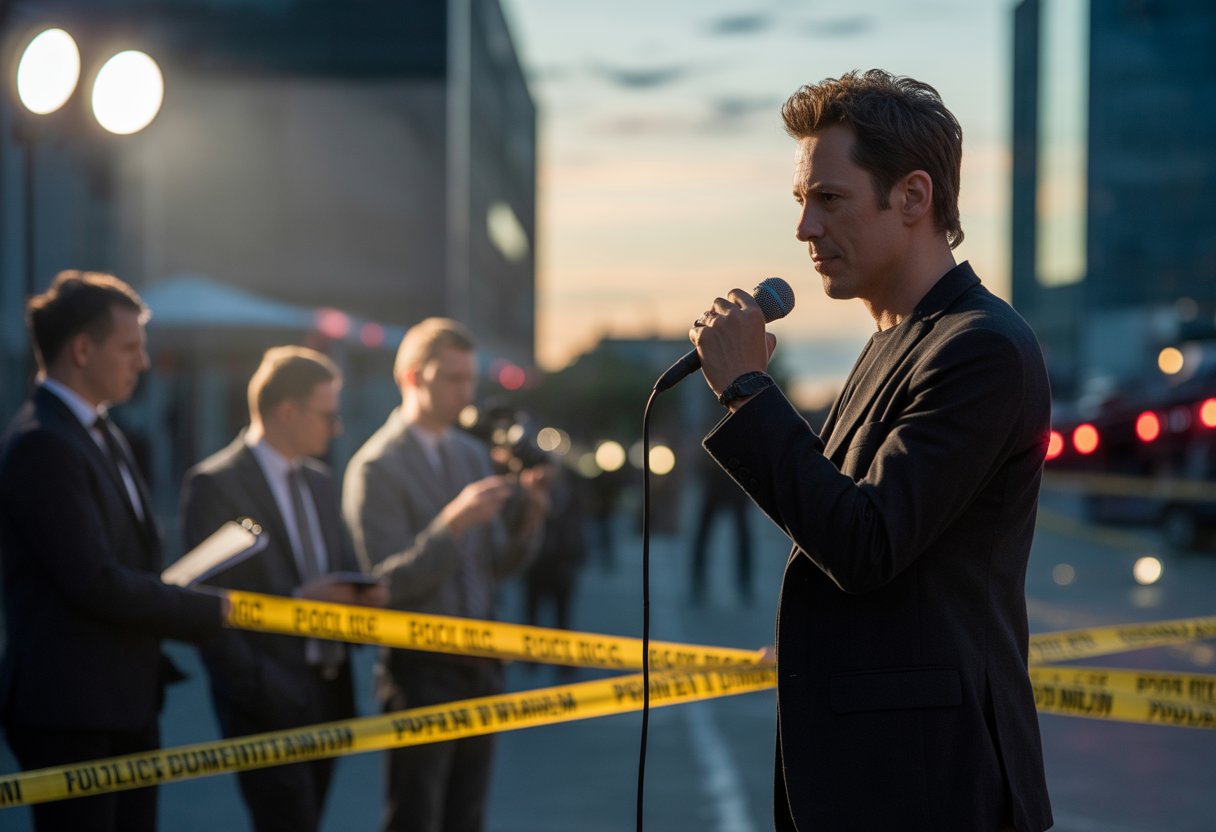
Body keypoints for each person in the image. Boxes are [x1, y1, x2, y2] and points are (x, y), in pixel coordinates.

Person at [687, 70, 1054, 831]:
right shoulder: (894, 340)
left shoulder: (980, 348)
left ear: (913, 197)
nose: (805, 229)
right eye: (802, 201)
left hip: (932, 787)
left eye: (830, 199)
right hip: (876, 775)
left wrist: (750, 393)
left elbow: (868, 542)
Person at [0, 270, 229, 832]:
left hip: (121, 700)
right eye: (129, 349)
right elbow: (93, 581)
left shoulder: (96, 430)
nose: (143, 363)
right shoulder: (43, 442)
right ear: (82, 350)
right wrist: (203, 610)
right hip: (75, 711)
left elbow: (122, 561)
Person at [343, 317, 549, 832]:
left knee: (467, 817)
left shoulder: (472, 454)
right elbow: (384, 584)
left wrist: (530, 518)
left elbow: (495, 565)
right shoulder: (376, 465)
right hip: (421, 669)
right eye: (453, 378)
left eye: (470, 379)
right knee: (415, 818)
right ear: (413, 377)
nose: (466, 392)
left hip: (482, 661)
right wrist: (452, 524)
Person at [180, 346, 383, 832]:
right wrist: (257, 686)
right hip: (266, 697)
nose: (337, 428)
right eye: (328, 415)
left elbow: (339, 566)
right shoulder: (216, 483)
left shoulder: (319, 480)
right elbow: (204, 604)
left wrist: (360, 595)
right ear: (287, 411)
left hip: (328, 690)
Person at [687, 448, 753, 606]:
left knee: (741, 534)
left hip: (734, 478)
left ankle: (744, 582)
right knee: (705, 534)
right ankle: (698, 581)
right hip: (718, 478)